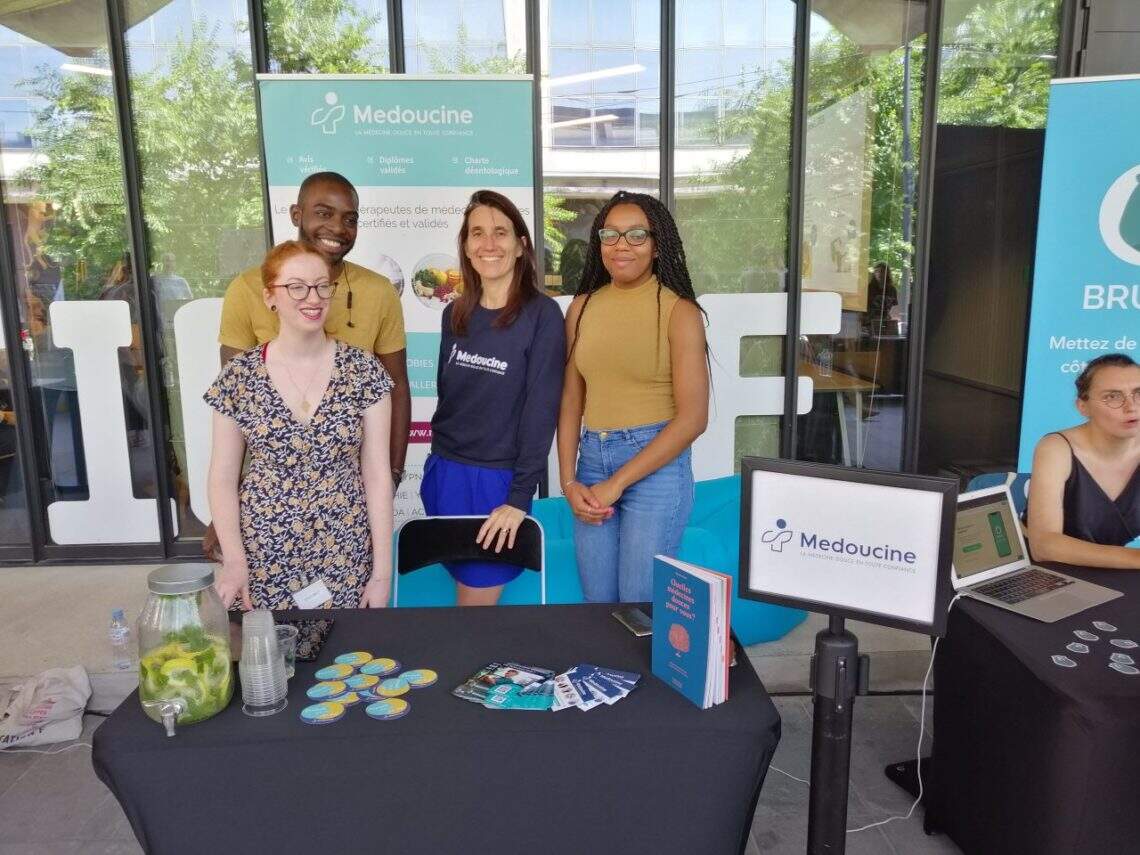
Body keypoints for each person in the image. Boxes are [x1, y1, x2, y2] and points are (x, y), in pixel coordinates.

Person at [205, 171, 410, 559]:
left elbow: (396, 386)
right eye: (323, 213)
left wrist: (391, 477)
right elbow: (239, 409)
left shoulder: (379, 292)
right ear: (297, 214)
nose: (337, 227)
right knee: (265, 619)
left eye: (350, 218)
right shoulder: (247, 290)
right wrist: (227, 509)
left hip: (345, 497)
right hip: (269, 510)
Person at [205, 240, 395, 610]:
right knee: (271, 661)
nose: (313, 297)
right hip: (263, 552)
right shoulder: (239, 377)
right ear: (269, 297)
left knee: (346, 661)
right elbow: (222, 478)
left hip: (345, 550)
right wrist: (234, 562)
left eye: (323, 285)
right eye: (296, 286)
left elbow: (376, 475)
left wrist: (382, 574)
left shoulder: (364, 372)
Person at [557, 190, 709, 603]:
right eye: (611, 235)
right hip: (592, 460)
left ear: (658, 245)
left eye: (637, 235)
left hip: (655, 467)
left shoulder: (680, 312)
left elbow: (693, 418)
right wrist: (569, 481)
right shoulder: (582, 308)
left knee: (638, 607)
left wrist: (617, 484)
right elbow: (571, 400)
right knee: (598, 604)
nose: (621, 245)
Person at [422, 190, 565, 606]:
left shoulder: (542, 315)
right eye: (477, 233)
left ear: (521, 245)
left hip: (497, 483)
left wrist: (519, 498)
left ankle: (467, 671)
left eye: (501, 232)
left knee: (474, 609)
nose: (489, 244)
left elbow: (542, 410)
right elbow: (447, 395)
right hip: (445, 475)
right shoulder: (456, 313)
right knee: (460, 595)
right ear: (465, 246)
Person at [1026, 353, 1140, 570]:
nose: (1131, 406)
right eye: (1113, 397)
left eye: (1139, 393)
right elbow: (1043, 547)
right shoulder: (1055, 448)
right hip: (1045, 570)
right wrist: (1136, 559)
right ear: (1083, 407)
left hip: (1115, 568)